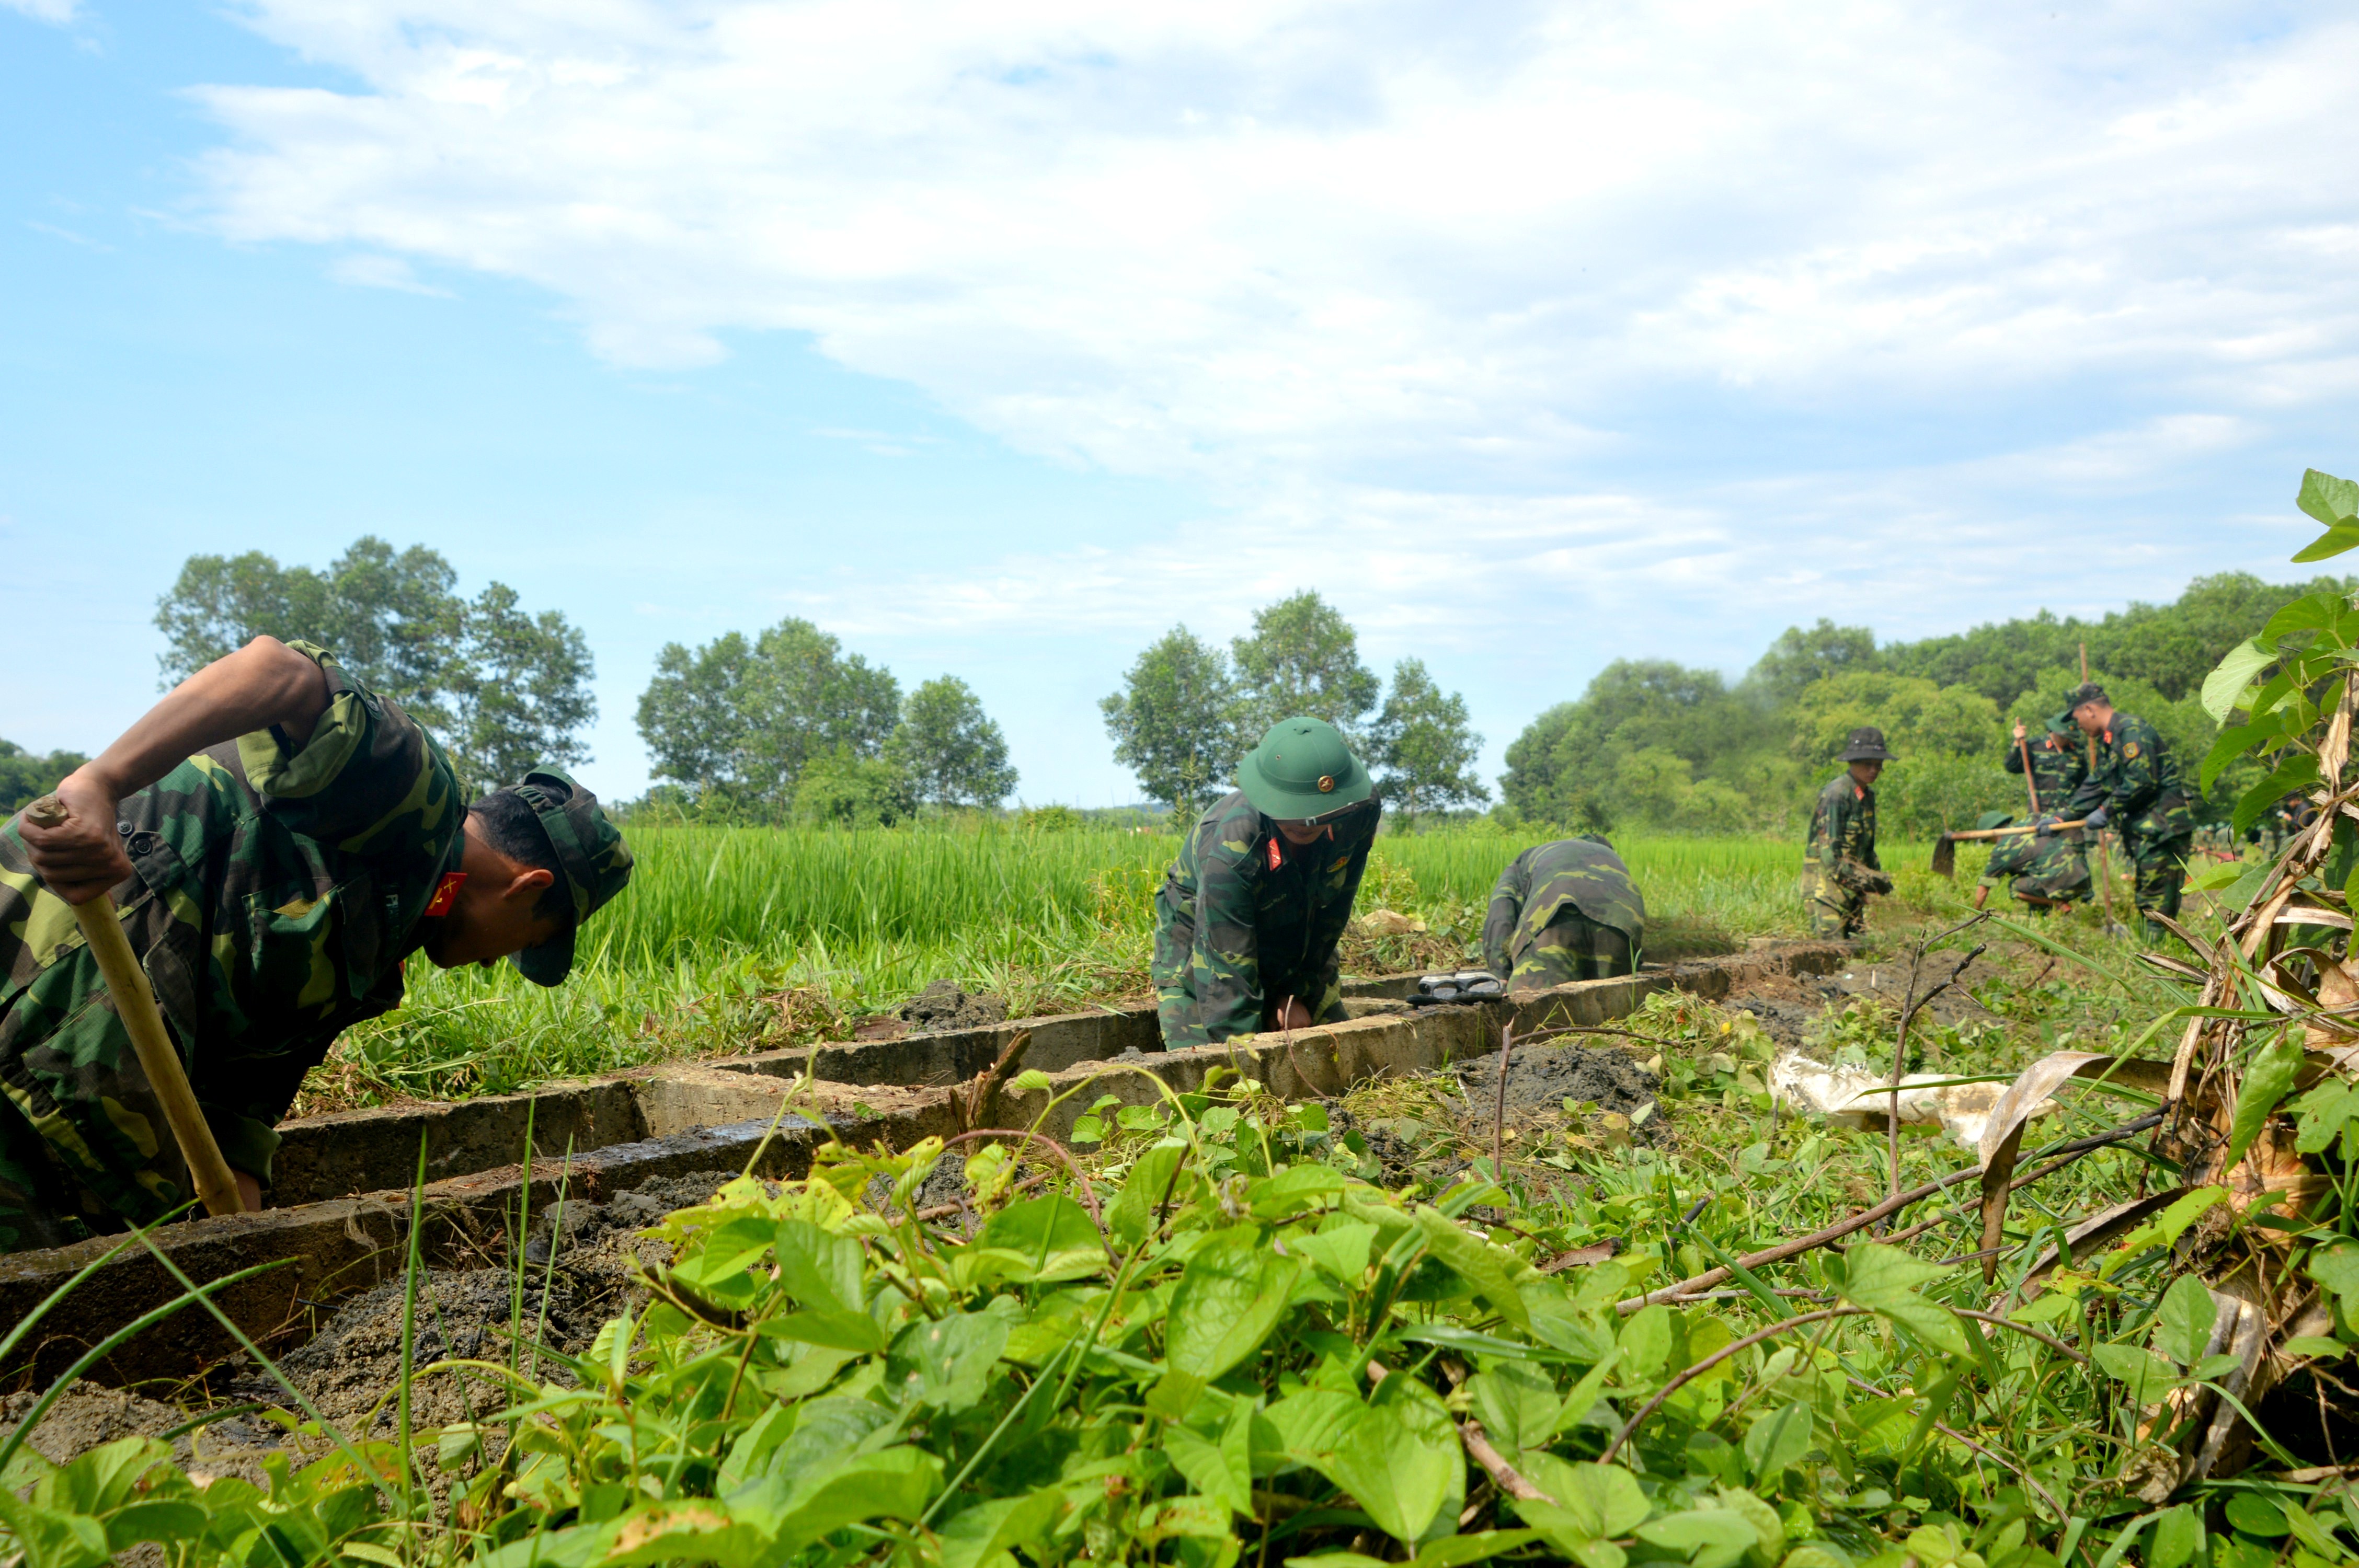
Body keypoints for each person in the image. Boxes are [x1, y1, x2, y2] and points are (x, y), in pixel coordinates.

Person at [0, 637, 632, 1253]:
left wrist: (244, 1258)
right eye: (523, 944)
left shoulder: (374, 965)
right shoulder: (412, 797)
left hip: (72, 1091)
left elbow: (237, 1111)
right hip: (44, 953)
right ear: (528, 888)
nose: (497, 961)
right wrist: (101, 783)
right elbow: (277, 670)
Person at [1152, 717, 1380, 1048]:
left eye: (1318, 811)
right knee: (1206, 1070)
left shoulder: (1359, 811)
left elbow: (1334, 911)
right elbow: (1227, 961)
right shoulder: (1232, 846)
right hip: (1206, 944)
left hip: (1296, 936)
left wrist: (1296, 994)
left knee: (1334, 1049)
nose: (1305, 822)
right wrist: (1249, 1056)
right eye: (1294, 808)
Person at [2053, 681, 2194, 942]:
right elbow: (2099, 782)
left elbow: (2141, 780)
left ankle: (2158, 959)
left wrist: (2106, 811)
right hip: (2150, 832)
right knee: (2148, 896)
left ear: (2089, 709)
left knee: (2157, 900)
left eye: (2077, 718)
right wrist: (2063, 816)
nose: (2077, 726)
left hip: (2163, 829)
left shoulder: (2131, 730)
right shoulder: (2113, 738)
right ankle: (2153, 953)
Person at [1482, 835, 1646, 992]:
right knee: (1611, 1012)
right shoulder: (1611, 857)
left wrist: (1500, 972)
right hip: (1619, 929)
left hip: (1556, 921)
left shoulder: (1531, 856)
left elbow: (1501, 911)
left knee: (1531, 1011)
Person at [1803, 727, 1895, 938]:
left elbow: (1867, 849)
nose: (1874, 770)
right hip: (1827, 890)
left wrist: (1876, 880)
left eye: (1878, 765)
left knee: (1858, 949)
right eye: (1867, 764)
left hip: (1852, 890)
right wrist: (1861, 882)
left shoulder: (1867, 796)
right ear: (1852, 763)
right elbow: (1830, 855)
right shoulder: (1836, 795)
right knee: (1833, 950)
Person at [1969, 810, 2091, 913]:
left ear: (1990, 835)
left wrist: (1976, 910)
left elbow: (1985, 886)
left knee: (2015, 887)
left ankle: (2059, 904)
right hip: (2083, 876)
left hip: (2062, 885)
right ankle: (2049, 910)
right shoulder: (2031, 822)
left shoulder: (2001, 850)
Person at [2005, 715, 2088, 811]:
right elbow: (2011, 766)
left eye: (2070, 737)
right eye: (2064, 736)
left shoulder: (2078, 750)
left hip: (2068, 812)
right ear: (2054, 731)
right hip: (2040, 812)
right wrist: (2017, 742)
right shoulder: (2035, 746)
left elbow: (2084, 780)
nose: (2067, 740)